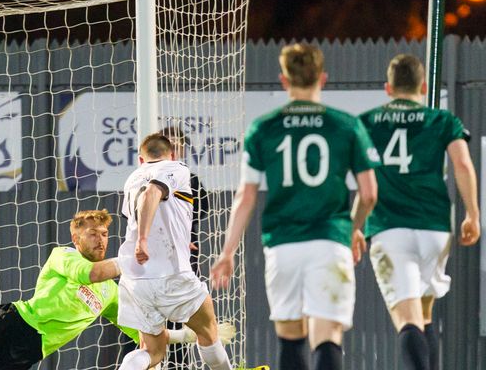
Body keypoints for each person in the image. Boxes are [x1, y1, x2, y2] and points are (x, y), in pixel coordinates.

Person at [211, 43, 380, 370]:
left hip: (284, 245)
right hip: (330, 242)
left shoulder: (264, 127)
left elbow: (245, 197)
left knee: (291, 338)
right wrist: (354, 229)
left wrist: (227, 252)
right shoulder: (345, 125)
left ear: (284, 80)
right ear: (323, 78)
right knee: (327, 336)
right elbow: (370, 193)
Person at [0, 210, 212, 370]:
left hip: (29, 354)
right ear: (76, 238)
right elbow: (92, 273)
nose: (100, 238)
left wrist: (193, 334)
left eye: (105, 234)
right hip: (13, 324)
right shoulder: (64, 257)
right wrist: (142, 256)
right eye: (92, 233)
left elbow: (143, 332)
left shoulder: (112, 292)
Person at [358, 54, 481, 370]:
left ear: (388, 88)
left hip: (389, 227)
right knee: (424, 315)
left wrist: (353, 227)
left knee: (407, 319)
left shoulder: (368, 121)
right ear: (423, 86)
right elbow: (463, 165)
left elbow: (365, 185)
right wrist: (473, 215)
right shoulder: (441, 120)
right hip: (435, 228)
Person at [116, 133, 232, 370]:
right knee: (209, 333)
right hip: (170, 274)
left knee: (151, 352)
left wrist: (174, 239)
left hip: (135, 280)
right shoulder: (177, 168)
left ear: (140, 159)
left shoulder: (131, 180)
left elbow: (150, 215)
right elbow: (151, 194)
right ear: (173, 154)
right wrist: (144, 241)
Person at [159, 125, 210, 370]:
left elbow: (201, 212)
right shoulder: (144, 180)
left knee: (182, 319)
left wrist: (181, 238)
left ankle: (179, 366)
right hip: (152, 261)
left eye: (178, 147)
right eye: (169, 146)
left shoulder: (190, 180)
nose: (174, 151)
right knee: (150, 322)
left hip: (183, 261)